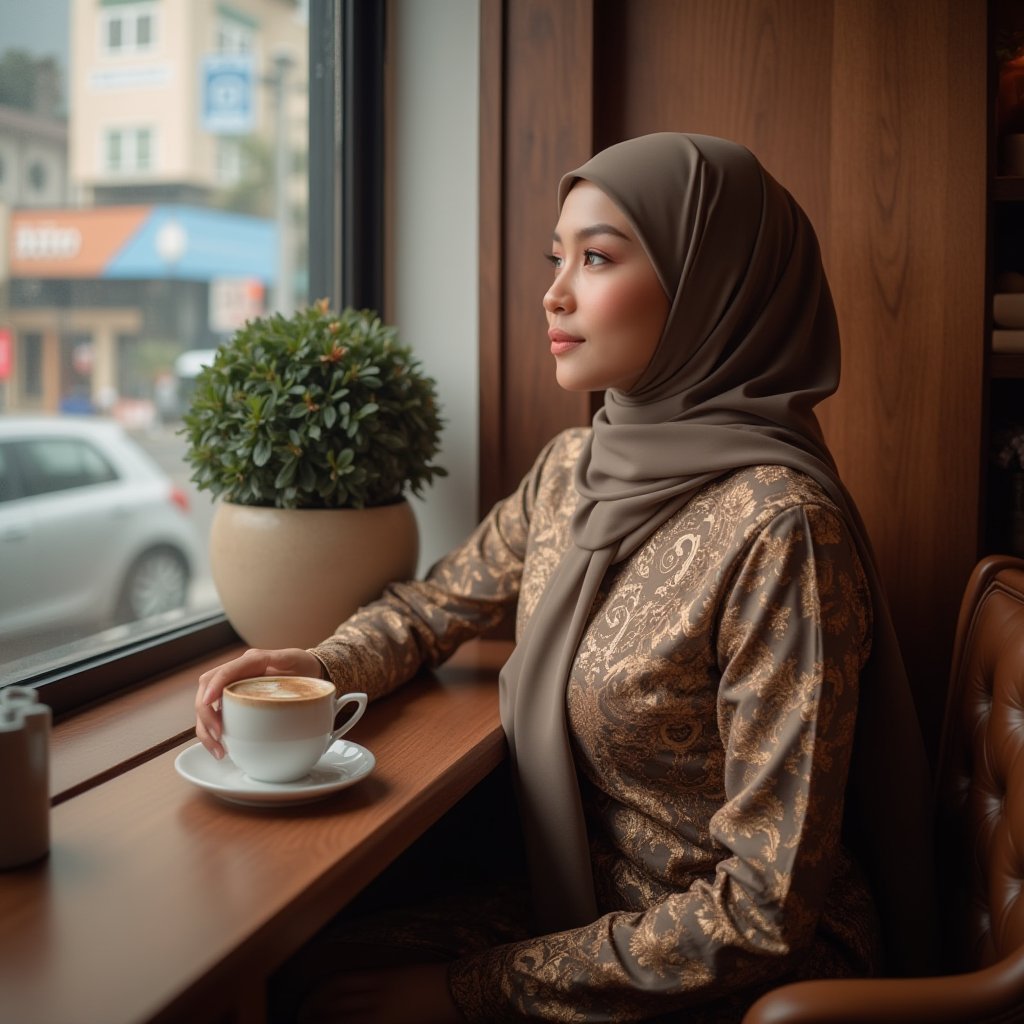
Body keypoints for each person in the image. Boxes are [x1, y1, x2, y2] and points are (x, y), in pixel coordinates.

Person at [195, 132, 935, 1023]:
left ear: (712, 288)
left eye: (597, 258)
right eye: (558, 257)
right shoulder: (575, 469)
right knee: (297, 972)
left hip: (741, 974)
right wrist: (315, 669)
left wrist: (468, 991)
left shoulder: (781, 528)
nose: (554, 292)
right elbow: (434, 606)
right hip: (592, 901)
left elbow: (763, 913)